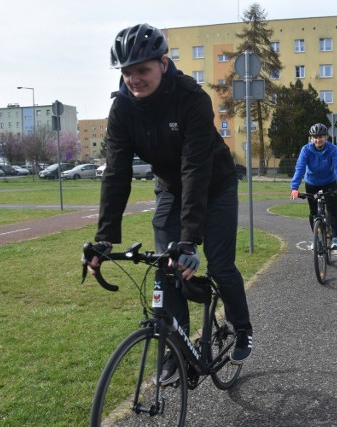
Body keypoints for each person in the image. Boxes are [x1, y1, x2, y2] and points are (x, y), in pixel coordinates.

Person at [88, 23, 253, 383]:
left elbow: (195, 167)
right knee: (166, 267)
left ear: (163, 63)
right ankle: (176, 350)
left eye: (142, 70)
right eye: (127, 72)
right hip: (170, 189)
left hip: (216, 184)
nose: (134, 79)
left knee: (221, 266)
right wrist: (105, 238)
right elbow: (116, 174)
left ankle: (242, 327)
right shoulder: (122, 111)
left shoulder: (191, 98)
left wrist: (190, 239)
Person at [290, 123, 337, 250]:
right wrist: (294, 188)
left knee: (332, 211)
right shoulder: (306, 150)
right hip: (311, 183)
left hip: (329, 182)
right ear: (311, 138)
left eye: (320, 137)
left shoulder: (331, 149)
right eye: (315, 137)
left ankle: (335, 239)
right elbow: (300, 168)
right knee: (313, 212)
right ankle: (316, 237)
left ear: (325, 137)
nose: (318, 140)